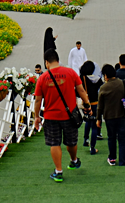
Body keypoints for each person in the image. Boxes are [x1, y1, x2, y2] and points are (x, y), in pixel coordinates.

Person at [34, 49, 92, 182]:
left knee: (55, 143)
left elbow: (38, 100)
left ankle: (58, 171)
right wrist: (87, 105)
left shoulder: (42, 78)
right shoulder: (70, 72)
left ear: (46, 62)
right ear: (58, 60)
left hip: (51, 116)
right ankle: (74, 160)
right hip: (69, 115)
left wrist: (36, 116)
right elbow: (81, 90)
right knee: (71, 141)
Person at [96, 64, 125, 166]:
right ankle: (123, 161)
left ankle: (112, 158)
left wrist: (98, 119)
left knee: (111, 137)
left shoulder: (103, 88)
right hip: (123, 115)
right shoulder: (123, 83)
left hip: (109, 117)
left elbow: (100, 106)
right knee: (123, 139)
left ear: (105, 75)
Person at [80, 61, 103, 155]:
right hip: (96, 104)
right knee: (94, 126)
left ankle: (86, 139)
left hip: (87, 104)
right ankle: (92, 147)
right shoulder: (98, 79)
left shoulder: (82, 78)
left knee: (88, 121)